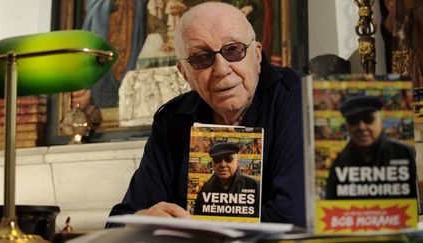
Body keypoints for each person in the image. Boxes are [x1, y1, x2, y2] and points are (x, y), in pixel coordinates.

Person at [106, 2, 305, 227]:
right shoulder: (172, 119)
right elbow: (118, 224)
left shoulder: (299, 98)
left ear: (257, 56)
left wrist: (190, 231)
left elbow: (294, 217)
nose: (221, 69)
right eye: (201, 58)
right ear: (184, 74)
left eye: (233, 49)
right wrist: (138, 221)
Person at [325, 95, 416, 199]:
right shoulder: (340, 163)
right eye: (353, 120)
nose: (361, 127)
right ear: (347, 126)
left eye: (368, 118)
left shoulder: (406, 155)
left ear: (381, 122)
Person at [193, 142, 260, 217]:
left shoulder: (254, 186)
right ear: (213, 164)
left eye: (228, 159)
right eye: (217, 160)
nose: (223, 165)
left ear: (237, 162)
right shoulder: (205, 189)